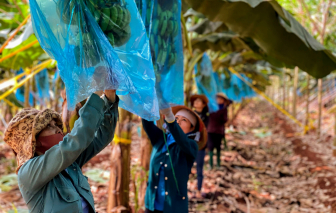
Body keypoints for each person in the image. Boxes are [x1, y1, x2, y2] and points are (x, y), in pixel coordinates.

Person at [4, 90, 118, 213]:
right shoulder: (28, 173)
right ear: (33, 141)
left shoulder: (69, 163)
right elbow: (76, 142)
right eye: (49, 127)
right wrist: (95, 96)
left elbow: (102, 137)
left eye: (56, 125)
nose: (58, 129)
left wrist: (109, 98)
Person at [142, 106, 207, 213]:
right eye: (176, 118)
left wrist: (170, 118)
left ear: (192, 128)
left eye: (184, 120)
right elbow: (147, 123)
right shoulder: (160, 139)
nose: (178, 122)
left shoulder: (191, 146)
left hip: (174, 208)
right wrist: (147, 102)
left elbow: (181, 139)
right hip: (152, 205)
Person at [190, 94, 209, 198]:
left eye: (198, 101)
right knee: (186, 168)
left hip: (200, 146)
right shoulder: (190, 115)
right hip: (189, 145)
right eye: (195, 101)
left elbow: (205, 131)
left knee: (199, 169)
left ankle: (198, 190)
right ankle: (184, 190)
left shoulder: (206, 117)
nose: (196, 103)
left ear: (203, 104)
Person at [207, 93, 232, 169]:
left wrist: (219, 115)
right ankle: (210, 165)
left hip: (219, 131)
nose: (219, 100)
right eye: (218, 99)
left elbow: (225, 119)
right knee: (210, 147)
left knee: (218, 147)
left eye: (221, 99)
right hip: (210, 130)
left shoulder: (224, 109)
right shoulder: (211, 108)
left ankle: (218, 164)